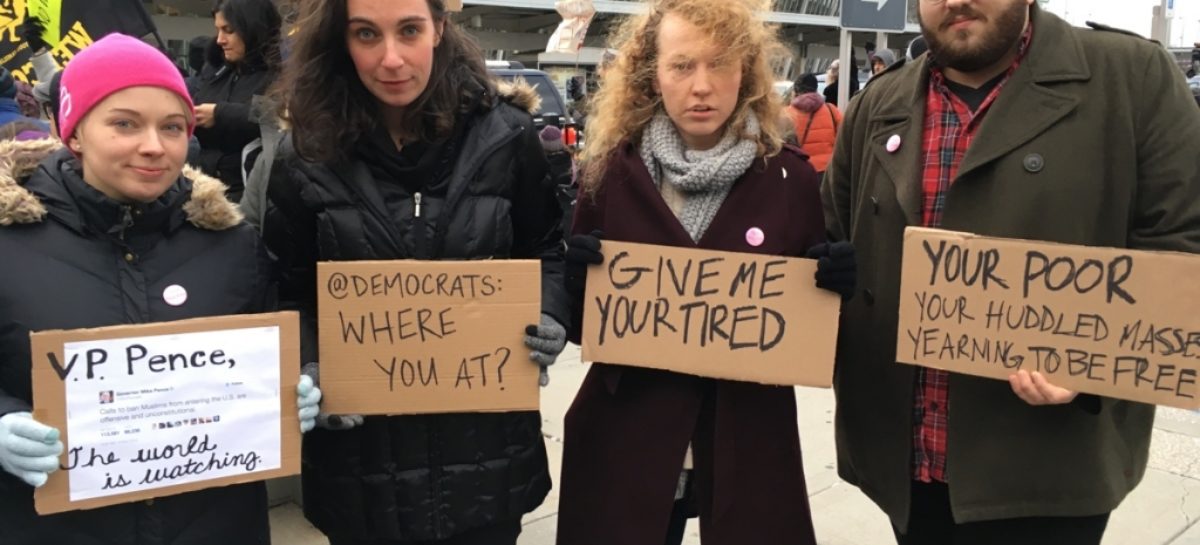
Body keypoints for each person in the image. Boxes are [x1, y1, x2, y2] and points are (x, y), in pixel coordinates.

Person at [822, 1, 1200, 544]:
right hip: (904, 466)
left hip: (1046, 472)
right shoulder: (877, 103)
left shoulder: (1130, 78)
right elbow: (835, 238)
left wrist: (1094, 361)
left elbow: (1183, 246)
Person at [261, 0, 570, 543]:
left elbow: (546, 249)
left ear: (440, 29)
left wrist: (548, 313)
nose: (391, 59)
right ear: (340, 40)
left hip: (486, 459)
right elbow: (284, 287)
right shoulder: (304, 153)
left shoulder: (507, 136)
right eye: (365, 34)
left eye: (409, 31)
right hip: (362, 473)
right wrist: (308, 366)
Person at [0, 33, 320, 545]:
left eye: (172, 127)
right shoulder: (9, 242)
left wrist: (300, 375)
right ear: (75, 132)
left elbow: (281, 326)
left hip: (214, 525)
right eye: (124, 123)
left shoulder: (231, 244)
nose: (153, 145)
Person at [555, 0, 855, 544]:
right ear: (653, 75)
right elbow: (584, 328)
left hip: (746, 438)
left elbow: (818, 339)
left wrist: (836, 292)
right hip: (631, 440)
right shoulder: (609, 174)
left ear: (746, 73)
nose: (701, 86)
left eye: (720, 63)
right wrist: (576, 286)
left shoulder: (789, 179)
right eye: (682, 65)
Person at [191, 0, 282, 201]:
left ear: (252, 29)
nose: (219, 40)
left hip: (253, 194)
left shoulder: (284, 72)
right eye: (218, 30)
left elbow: (281, 117)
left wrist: (220, 114)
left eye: (228, 30)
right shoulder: (216, 71)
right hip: (203, 189)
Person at [783, 72, 842, 173]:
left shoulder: (785, 114)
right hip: (827, 171)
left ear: (796, 91)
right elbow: (844, 139)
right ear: (816, 89)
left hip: (799, 171)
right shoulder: (832, 110)